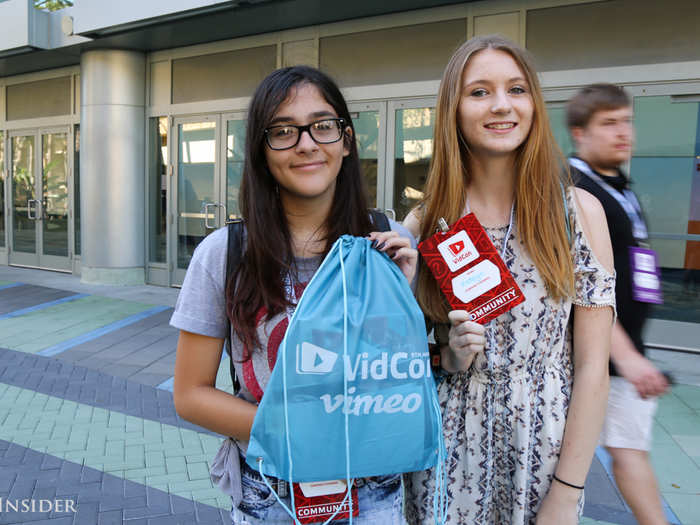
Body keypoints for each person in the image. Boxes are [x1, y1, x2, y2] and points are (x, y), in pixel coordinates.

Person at [170, 65, 417, 525]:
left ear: (346, 140)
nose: (306, 143)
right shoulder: (224, 254)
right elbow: (190, 395)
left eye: (323, 126)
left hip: (373, 491)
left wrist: (398, 296)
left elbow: (401, 380)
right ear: (262, 153)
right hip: (272, 493)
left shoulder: (389, 243)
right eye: (283, 131)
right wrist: (298, 430)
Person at [402, 35, 616, 525]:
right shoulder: (425, 222)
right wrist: (448, 357)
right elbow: (399, 359)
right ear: (453, 108)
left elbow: (591, 370)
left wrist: (566, 492)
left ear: (534, 104)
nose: (501, 105)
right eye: (479, 92)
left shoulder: (579, 215)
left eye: (516, 89)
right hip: (446, 453)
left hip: (543, 457)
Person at [567, 83, 670, 525]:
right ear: (579, 134)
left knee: (626, 450)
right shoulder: (577, 192)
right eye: (608, 123)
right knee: (611, 455)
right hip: (594, 358)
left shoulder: (617, 187)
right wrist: (627, 359)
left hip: (620, 356)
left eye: (626, 120)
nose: (622, 132)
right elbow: (582, 289)